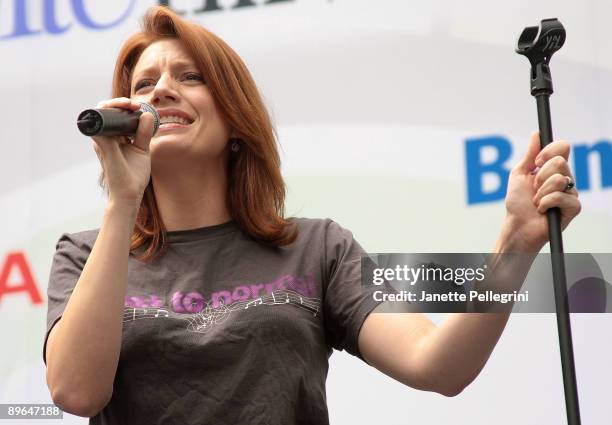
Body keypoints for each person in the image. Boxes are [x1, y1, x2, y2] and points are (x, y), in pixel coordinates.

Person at [43, 6, 581, 424]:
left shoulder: (316, 247)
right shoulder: (86, 253)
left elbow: (438, 365)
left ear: (234, 121)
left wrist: (514, 245)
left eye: (189, 77)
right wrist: (122, 203)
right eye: (144, 85)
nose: (162, 89)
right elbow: (77, 392)